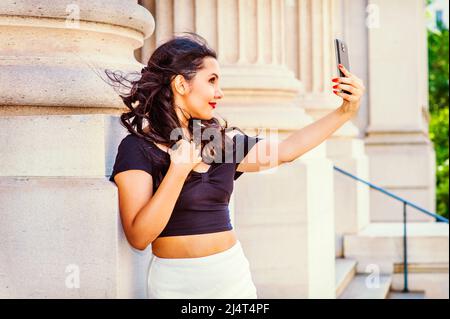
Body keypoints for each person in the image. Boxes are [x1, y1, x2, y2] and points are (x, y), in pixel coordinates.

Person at [107, 32, 365, 299]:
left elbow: (286, 150)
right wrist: (178, 171)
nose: (219, 93)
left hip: (232, 279)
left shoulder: (222, 145)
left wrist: (345, 112)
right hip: (174, 285)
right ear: (181, 85)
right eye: (212, 81)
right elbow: (139, 237)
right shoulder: (137, 149)